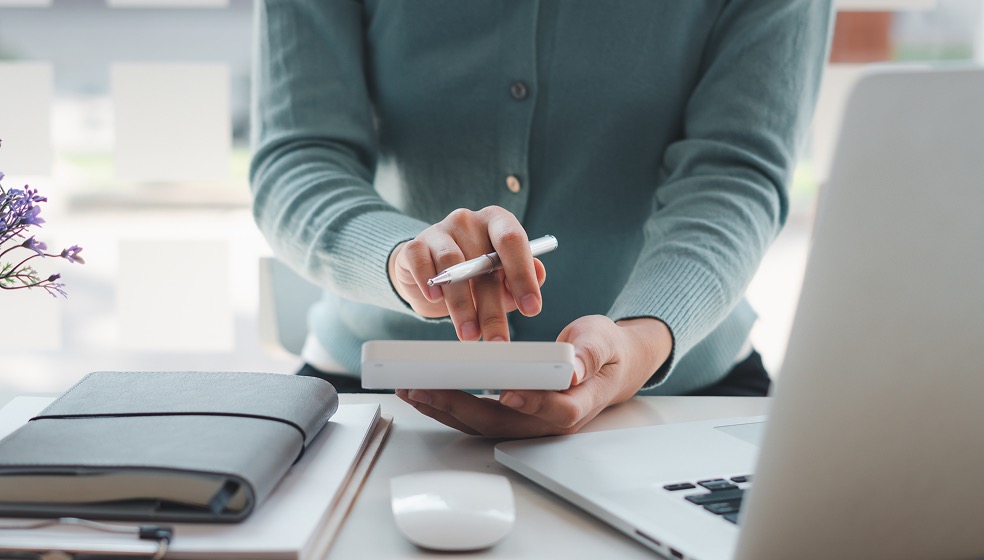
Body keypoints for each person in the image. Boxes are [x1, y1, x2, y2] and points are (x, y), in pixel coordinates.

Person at [250, 1, 833, 438]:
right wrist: (399, 258)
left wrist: (642, 338)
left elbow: (736, 172)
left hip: (679, 390)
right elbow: (299, 156)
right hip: (371, 393)